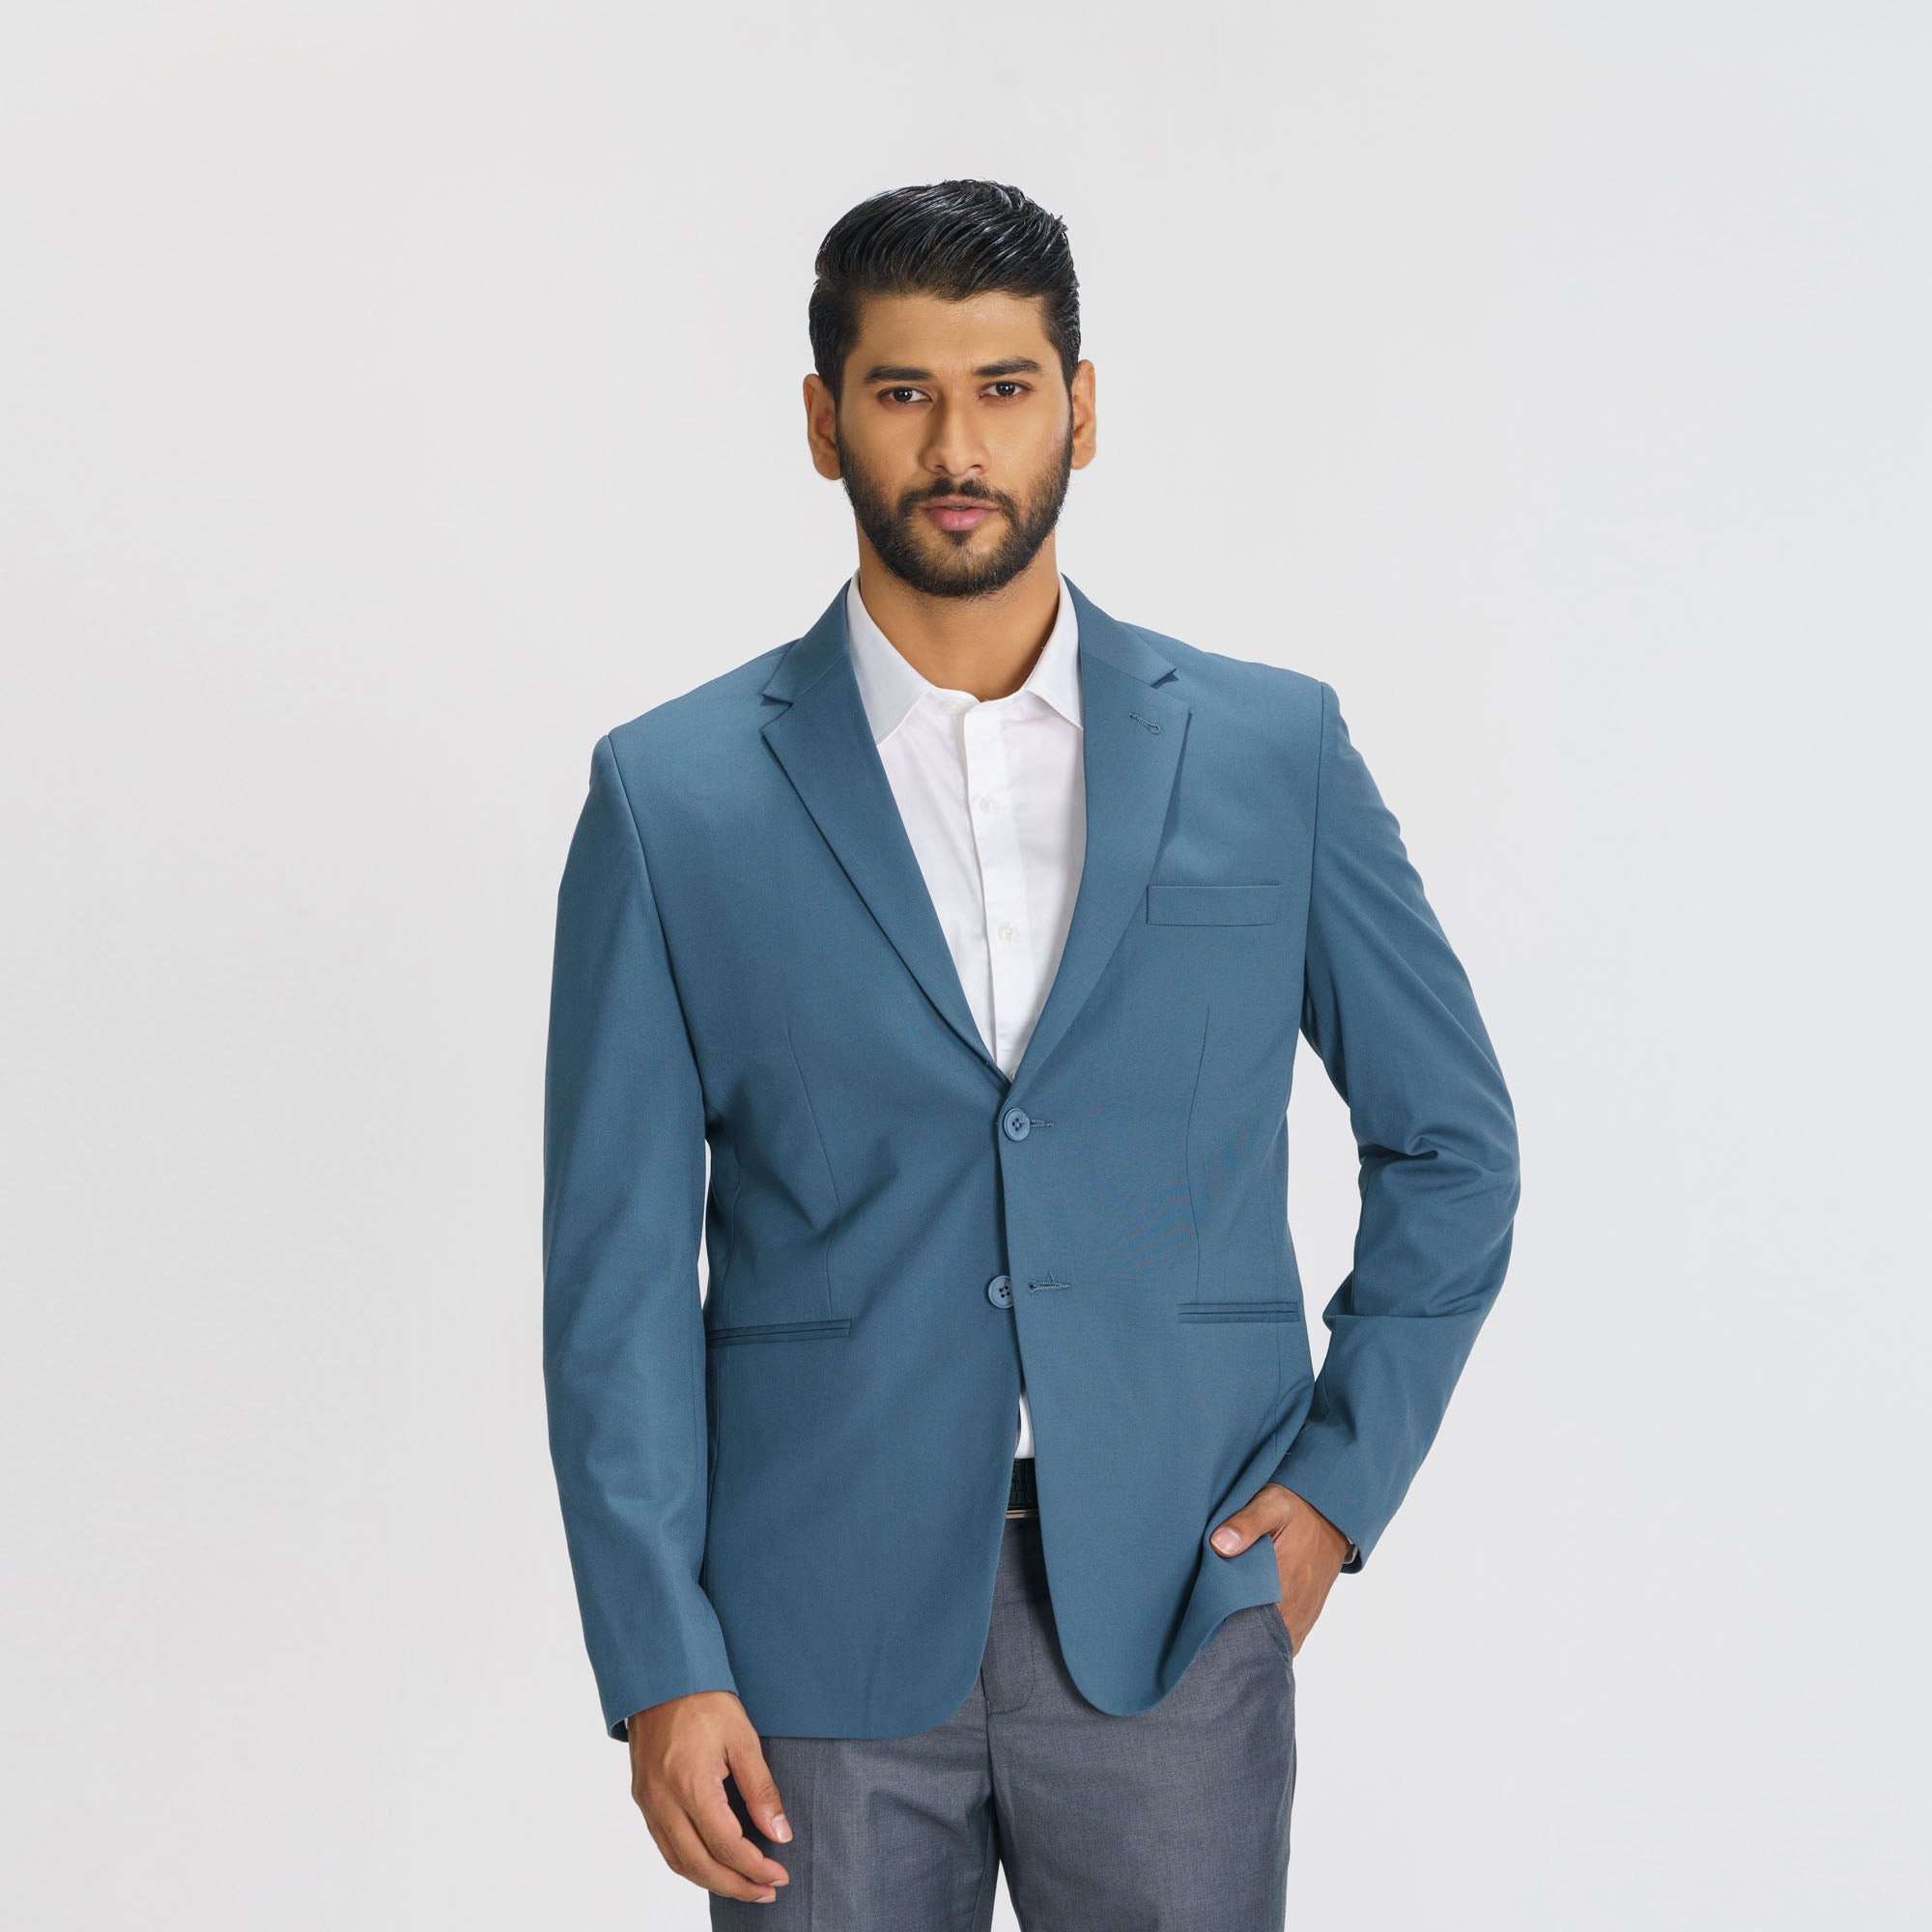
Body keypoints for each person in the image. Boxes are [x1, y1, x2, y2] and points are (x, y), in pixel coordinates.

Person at [542, 179, 1520, 1929]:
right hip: (803, 1638)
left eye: (1002, 388)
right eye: (902, 392)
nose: (957, 446)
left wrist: (1333, 1494)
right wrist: (657, 1656)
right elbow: (612, 1277)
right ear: (824, 425)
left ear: (1081, 407)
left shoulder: (1271, 752)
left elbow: (1453, 1146)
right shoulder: (670, 798)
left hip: (1179, 1610)